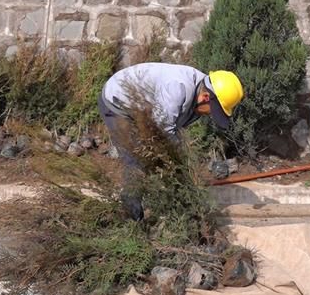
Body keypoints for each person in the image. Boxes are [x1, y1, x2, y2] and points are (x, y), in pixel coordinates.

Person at [98, 62, 244, 219]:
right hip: (118, 102)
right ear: (206, 97)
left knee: (158, 161)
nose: (211, 115)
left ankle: (162, 205)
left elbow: (171, 130)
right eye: (214, 110)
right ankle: (132, 219)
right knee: (136, 161)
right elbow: (162, 131)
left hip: (145, 110)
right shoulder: (178, 88)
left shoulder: (201, 90)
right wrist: (182, 167)